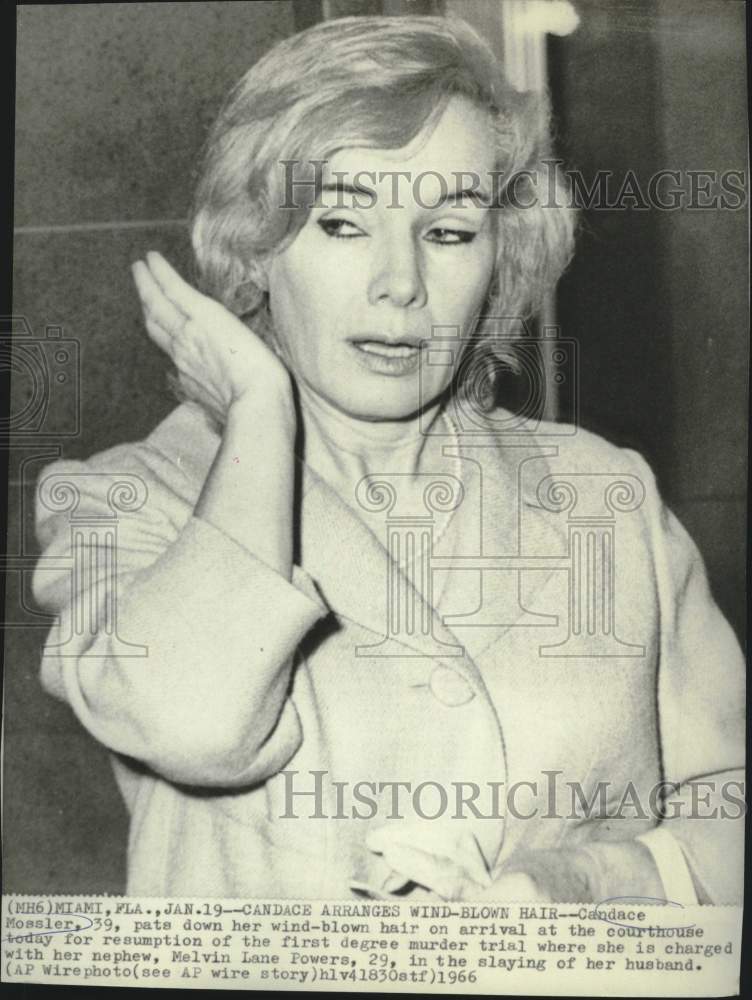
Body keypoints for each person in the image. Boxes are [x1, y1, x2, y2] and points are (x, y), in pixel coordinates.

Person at [33, 14, 743, 903]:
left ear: (500, 258)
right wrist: (258, 417)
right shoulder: (125, 500)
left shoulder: (606, 497)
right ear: (258, 248)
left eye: (448, 232)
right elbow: (190, 724)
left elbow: (728, 801)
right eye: (341, 222)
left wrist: (595, 877)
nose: (400, 282)